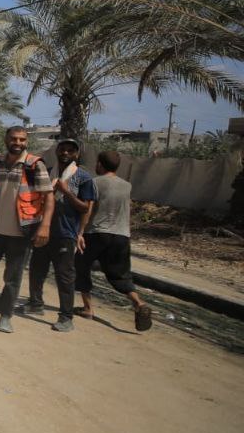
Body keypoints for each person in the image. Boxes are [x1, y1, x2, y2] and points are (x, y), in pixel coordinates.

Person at [0, 126, 54, 334]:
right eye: (14, 139)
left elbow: (49, 196)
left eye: (22, 139)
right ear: (6, 140)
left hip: (22, 233)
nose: (18, 143)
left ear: (26, 141)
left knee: (12, 277)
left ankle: (6, 315)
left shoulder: (35, 165)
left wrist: (45, 226)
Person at [20, 139, 95, 331]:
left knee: (65, 277)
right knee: (37, 270)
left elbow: (85, 207)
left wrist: (66, 192)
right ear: (57, 151)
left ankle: (66, 317)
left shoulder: (84, 178)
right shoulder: (47, 171)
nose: (66, 153)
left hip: (65, 233)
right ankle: (35, 304)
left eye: (70, 150)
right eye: (63, 149)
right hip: (42, 230)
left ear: (76, 154)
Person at [75, 150, 152, 332]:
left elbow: (87, 209)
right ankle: (139, 303)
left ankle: (87, 308)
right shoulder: (127, 185)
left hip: (97, 232)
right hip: (121, 235)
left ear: (100, 164)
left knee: (80, 266)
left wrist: (80, 232)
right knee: (120, 274)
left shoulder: (94, 183)